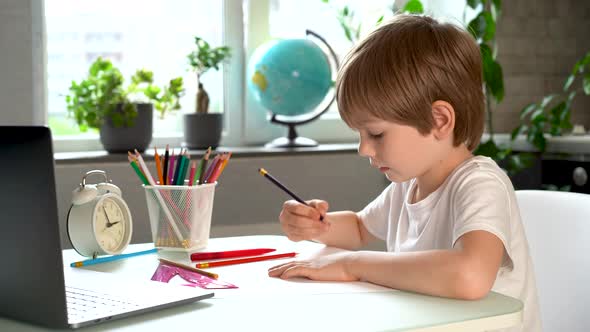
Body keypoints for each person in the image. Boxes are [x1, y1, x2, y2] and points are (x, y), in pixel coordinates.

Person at [267, 14, 541, 332]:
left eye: (376, 134)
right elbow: (358, 228)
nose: (364, 149)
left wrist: (351, 265)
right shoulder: (408, 185)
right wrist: (315, 226)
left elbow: (471, 276)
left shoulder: (480, 184)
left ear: (439, 120)